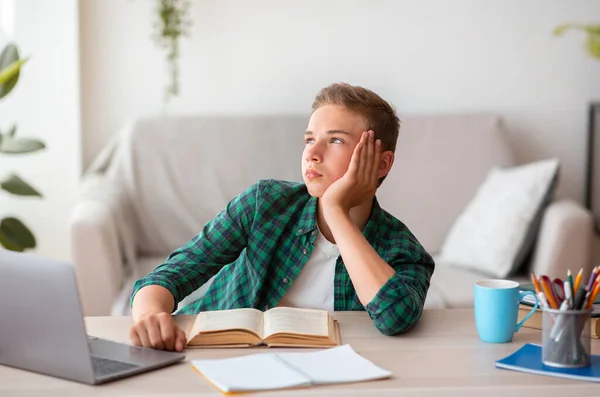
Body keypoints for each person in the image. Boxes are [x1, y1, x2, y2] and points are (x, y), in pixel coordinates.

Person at [129, 82, 435, 351]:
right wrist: (150, 318)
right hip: (221, 356)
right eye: (309, 139)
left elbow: (396, 317)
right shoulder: (264, 204)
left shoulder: (404, 251)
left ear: (382, 164)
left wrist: (336, 212)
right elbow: (171, 274)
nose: (312, 153)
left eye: (336, 140)